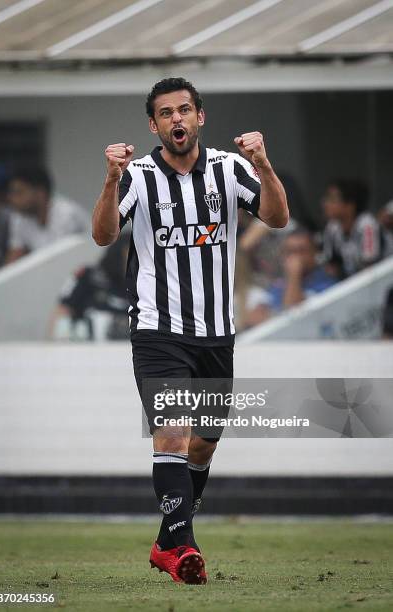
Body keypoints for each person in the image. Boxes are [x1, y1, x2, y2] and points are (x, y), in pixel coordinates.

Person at [92, 77, 288, 584]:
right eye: (165, 113)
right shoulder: (136, 175)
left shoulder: (229, 167)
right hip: (158, 329)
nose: (176, 119)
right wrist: (110, 179)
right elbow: (104, 234)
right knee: (174, 435)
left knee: (203, 444)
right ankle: (184, 550)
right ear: (154, 125)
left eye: (184, 110)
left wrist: (263, 162)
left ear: (200, 117)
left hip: (217, 333)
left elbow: (277, 217)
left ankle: (166, 542)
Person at [244, 229, 336, 328]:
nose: (295, 258)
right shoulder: (279, 286)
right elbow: (253, 319)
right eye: (290, 252)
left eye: (301, 251)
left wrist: (294, 276)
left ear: (314, 253)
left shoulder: (326, 282)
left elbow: (294, 317)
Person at [50, 233, 130, 341]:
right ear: (118, 254)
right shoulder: (87, 276)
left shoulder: (147, 286)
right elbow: (63, 310)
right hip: (86, 349)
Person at [6, 167, 90, 263]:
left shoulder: (67, 214)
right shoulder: (19, 217)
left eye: (19, 193)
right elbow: (14, 260)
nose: (12, 199)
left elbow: (62, 260)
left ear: (40, 193)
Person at [322, 178, 392, 279]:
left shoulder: (367, 225)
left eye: (333, 200)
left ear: (350, 206)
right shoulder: (332, 227)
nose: (326, 204)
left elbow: (370, 268)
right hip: (353, 280)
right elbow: (331, 266)